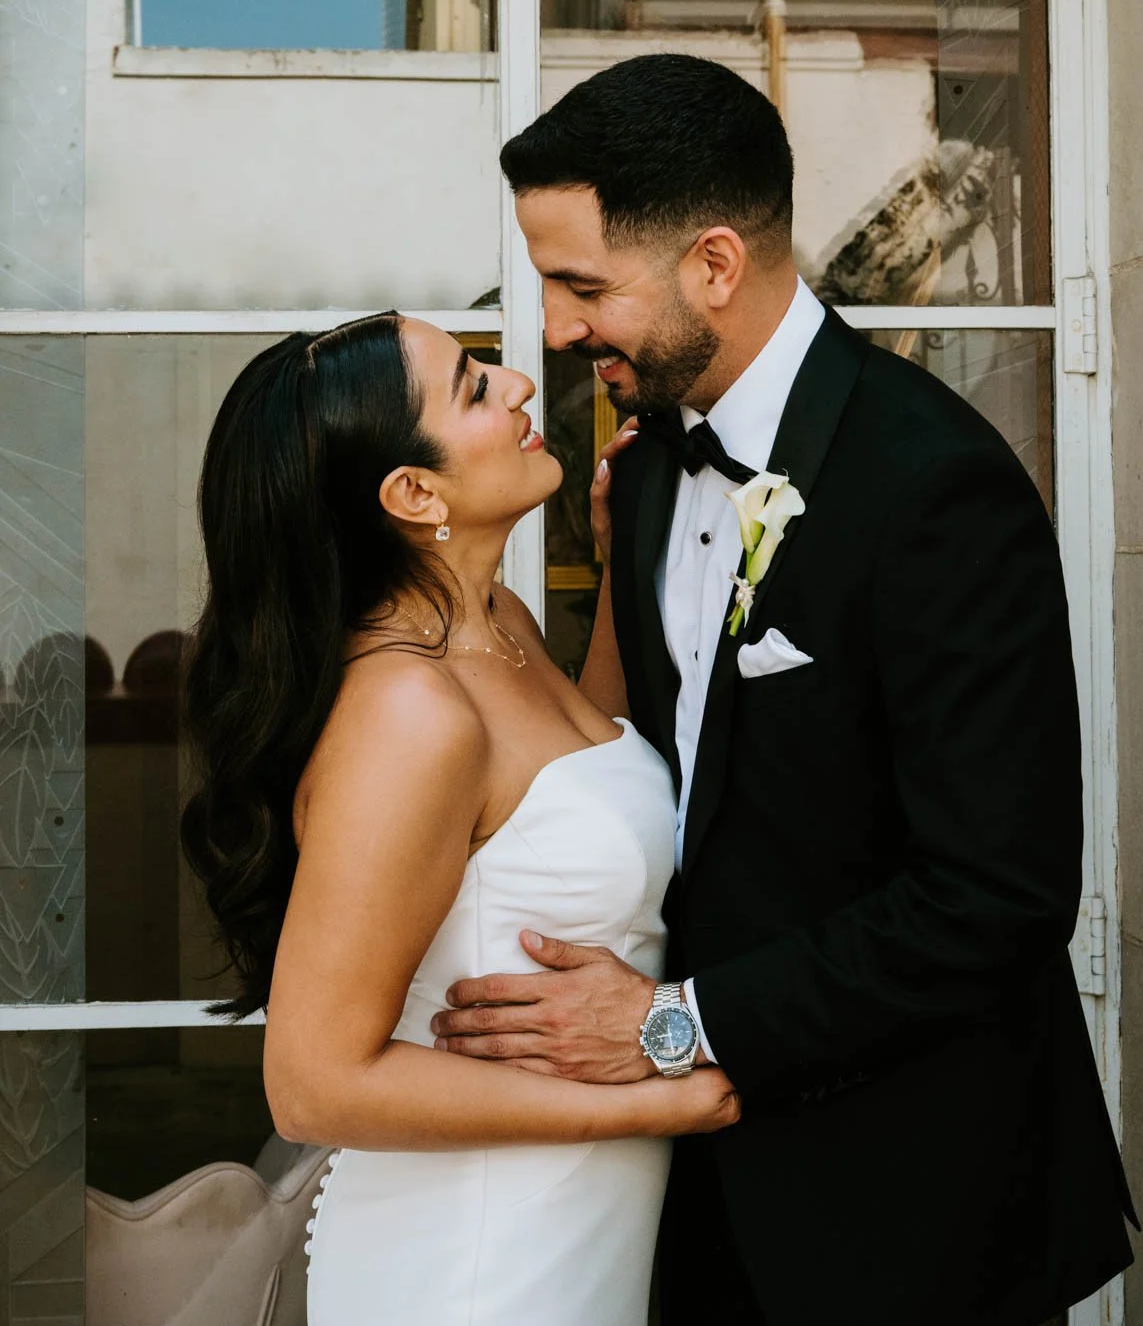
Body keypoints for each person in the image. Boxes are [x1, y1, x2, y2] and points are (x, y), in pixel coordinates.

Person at [431, 52, 1138, 1326]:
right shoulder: (642, 472)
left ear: (714, 264)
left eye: (581, 284)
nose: (555, 325)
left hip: (908, 1209)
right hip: (684, 1205)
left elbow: (996, 896)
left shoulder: (935, 485)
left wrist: (667, 1028)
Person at [179, 310, 738, 1326]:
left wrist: (618, 565)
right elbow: (311, 1085)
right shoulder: (406, 712)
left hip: (571, 1234)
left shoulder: (498, 628)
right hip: (473, 1269)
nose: (522, 384)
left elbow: (584, 762)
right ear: (413, 493)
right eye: (475, 388)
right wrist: (655, 1096)